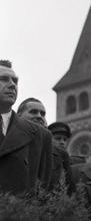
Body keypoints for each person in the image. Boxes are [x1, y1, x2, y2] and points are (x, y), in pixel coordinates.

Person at [0, 60, 52, 194]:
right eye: (4, 79)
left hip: (19, 213)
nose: (12, 85)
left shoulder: (40, 135)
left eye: (15, 81)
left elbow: (43, 190)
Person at [17, 99, 74, 193]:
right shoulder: (7, 140)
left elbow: (71, 191)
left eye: (42, 114)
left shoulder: (61, 155)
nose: (39, 116)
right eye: (33, 112)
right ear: (18, 116)